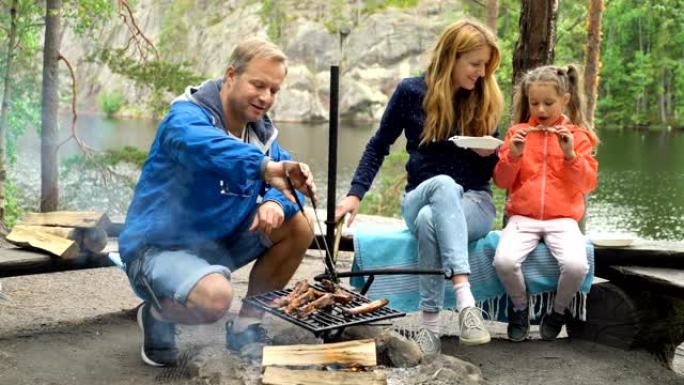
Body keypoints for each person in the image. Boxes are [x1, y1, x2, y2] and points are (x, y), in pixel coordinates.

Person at [118, 38, 317, 367]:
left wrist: (275, 203)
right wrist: (265, 169)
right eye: (258, 84)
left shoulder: (260, 134)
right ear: (230, 75)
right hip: (156, 251)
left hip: (214, 247)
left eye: (274, 90)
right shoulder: (184, 120)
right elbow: (208, 147)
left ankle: (247, 327)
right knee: (215, 298)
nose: (266, 97)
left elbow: (286, 182)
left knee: (300, 225)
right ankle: (156, 313)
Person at [335, 20, 504, 354]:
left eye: (486, 65)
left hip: (474, 202)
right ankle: (465, 299)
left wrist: (489, 154)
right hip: (419, 194)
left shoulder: (484, 97)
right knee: (441, 185)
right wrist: (355, 193)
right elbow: (378, 145)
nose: (482, 73)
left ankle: (429, 327)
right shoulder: (411, 92)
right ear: (451, 58)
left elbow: (490, 173)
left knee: (430, 220)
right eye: (475, 64)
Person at [493, 64, 599, 342]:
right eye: (534, 103)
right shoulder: (517, 133)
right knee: (504, 261)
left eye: (548, 103)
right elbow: (501, 182)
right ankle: (519, 308)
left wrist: (570, 155)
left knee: (577, 266)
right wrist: (513, 156)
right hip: (522, 217)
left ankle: (557, 311)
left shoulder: (577, 137)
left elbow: (587, 184)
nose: (540, 110)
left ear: (565, 100)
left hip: (563, 218)